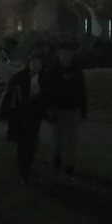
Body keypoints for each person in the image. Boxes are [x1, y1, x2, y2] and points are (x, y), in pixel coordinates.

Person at [0, 53, 47, 183]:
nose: (36, 65)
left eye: (39, 63)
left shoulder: (44, 78)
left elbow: (48, 96)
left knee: (32, 143)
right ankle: (23, 169)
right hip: (20, 116)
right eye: (33, 62)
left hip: (34, 116)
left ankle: (28, 166)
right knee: (22, 143)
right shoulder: (20, 77)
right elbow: (10, 94)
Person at [45, 41, 87, 177]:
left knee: (72, 138)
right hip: (58, 108)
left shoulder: (76, 71)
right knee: (58, 137)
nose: (67, 56)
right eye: (64, 53)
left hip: (73, 108)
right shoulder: (53, 71)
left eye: (69, 53)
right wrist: (50, 108)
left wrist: (83, 108)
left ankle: (69, 164)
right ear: (59, 54)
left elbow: (82, 91)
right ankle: (58, 158)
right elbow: (48, 91)